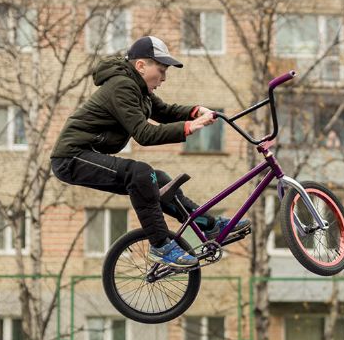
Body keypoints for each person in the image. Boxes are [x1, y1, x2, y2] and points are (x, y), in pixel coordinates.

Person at [50, 35, 250, 268]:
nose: (164, 78)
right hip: (71, 157)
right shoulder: (122, 86)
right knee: (140, 173)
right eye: (161, 70)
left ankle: (209, 225)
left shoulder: (138, 89)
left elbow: (164, 111)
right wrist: (189, 127)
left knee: (160, 181)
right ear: (141, 66)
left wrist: (195, 111)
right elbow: (143, 134)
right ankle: (160, 245)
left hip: (88, 153)